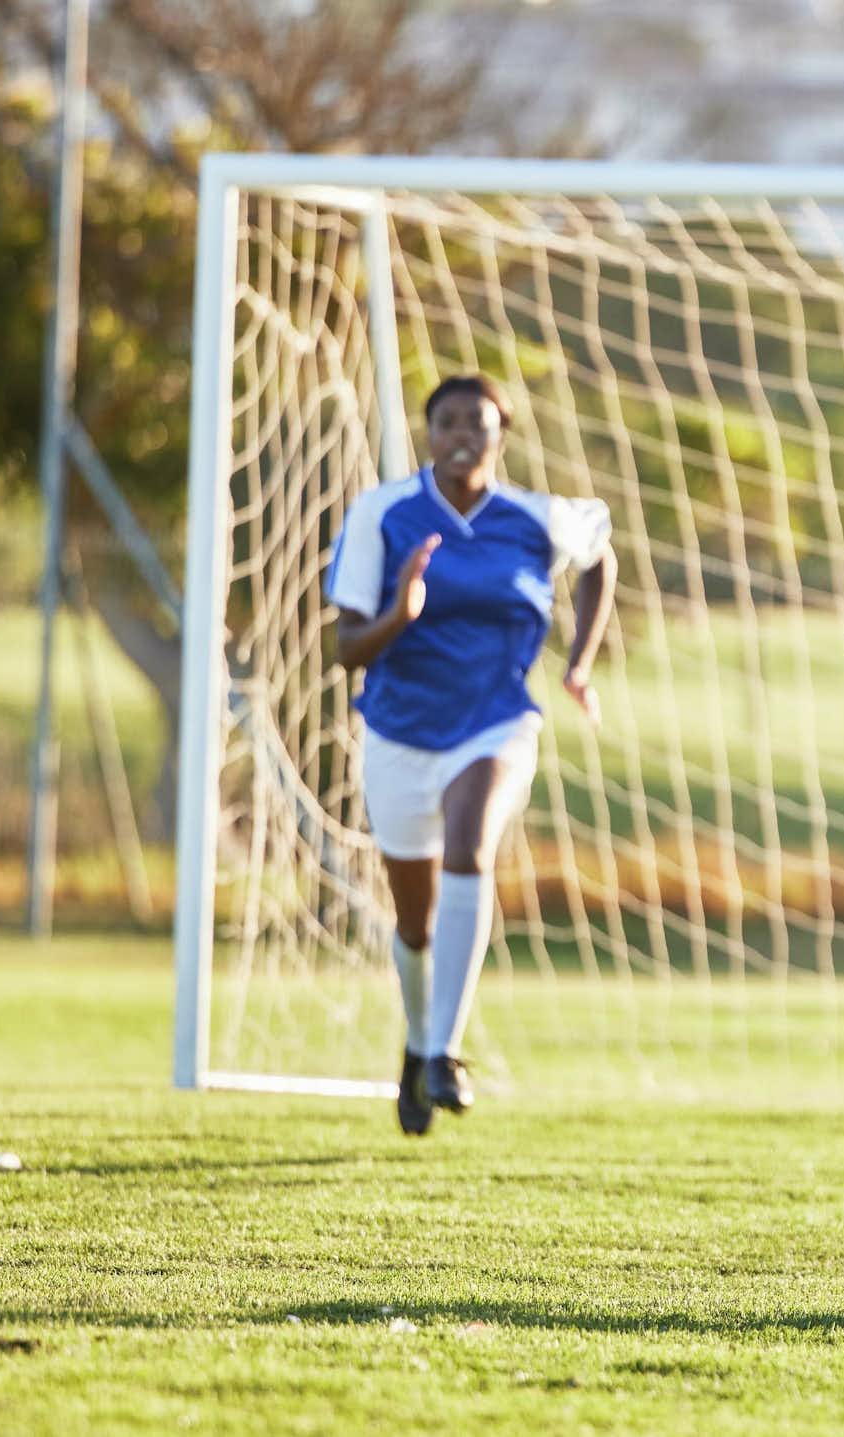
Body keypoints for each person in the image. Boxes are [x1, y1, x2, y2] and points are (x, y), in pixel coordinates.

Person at [326, 374, 615, 1137]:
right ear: (428, 431)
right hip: (398, 733)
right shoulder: (382, 513)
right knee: (414, 923)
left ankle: (446, 1053)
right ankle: (418, 1046)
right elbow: (345, 645)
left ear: (501, 436)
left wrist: (578, 661)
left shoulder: (532, 517)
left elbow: (600, 556)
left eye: (478, 423)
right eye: (447, 420)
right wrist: (401, 613)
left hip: (496, 723)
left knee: (470, 845)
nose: (462, 433)